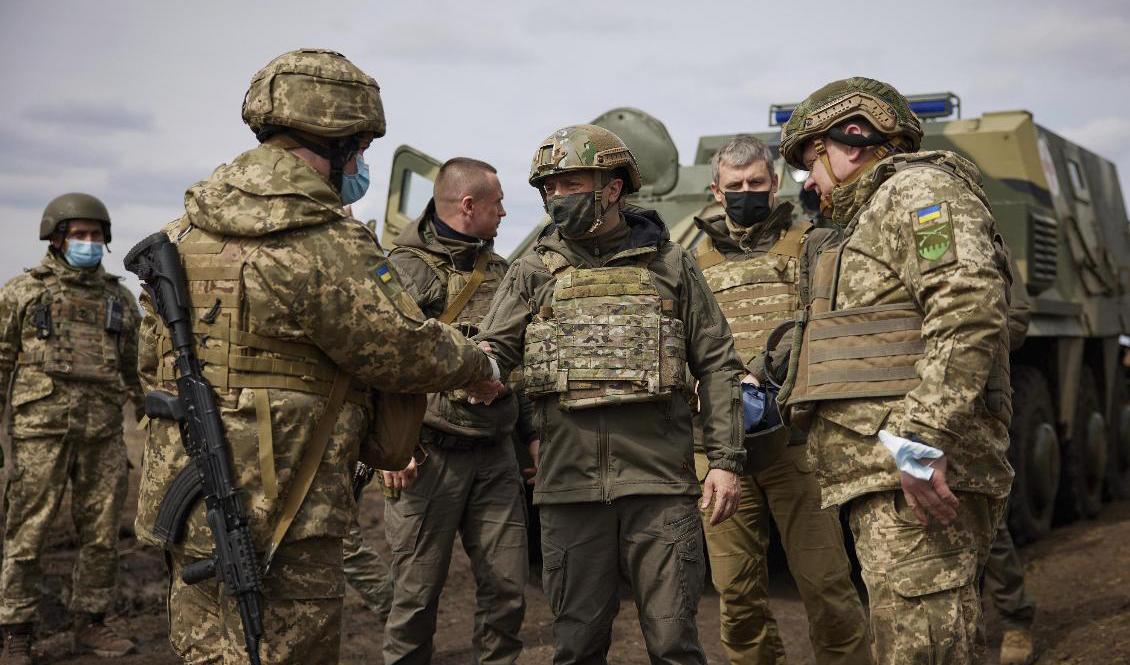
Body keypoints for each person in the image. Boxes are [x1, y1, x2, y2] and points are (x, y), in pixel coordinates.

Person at [133, 48, 502, 665]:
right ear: (339, 142)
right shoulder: (327, 243)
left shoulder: (184, 232)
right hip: (286, 499)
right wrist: (478, 365)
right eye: (360, 150)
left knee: (205, 648)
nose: (359, 165)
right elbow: (402, 349)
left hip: (191, 488)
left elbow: (152, 362)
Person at [476, 124, 746, 665]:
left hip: (660, 488)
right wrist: (468, 368)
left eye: (570, 183)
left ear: (613, 188)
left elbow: (717, 363)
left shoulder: (671, 265)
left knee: (674, 645)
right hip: (569, 492)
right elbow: (492, 349)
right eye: (550, 187)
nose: (557, 196)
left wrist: (725, 460)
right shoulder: (532, 271)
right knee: (576, 647)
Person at [778, 77, 1015, 665]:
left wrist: (920, 441)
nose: (808, 182)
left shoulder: (919, 193)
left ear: (851, 141)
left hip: (915, 476)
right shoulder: (873, 214)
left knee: (924, 650)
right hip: (891, 477)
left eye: (810, 161)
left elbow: (967, 307)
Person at [692, 135, 870, 665]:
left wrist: (764, 369)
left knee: (827, 586)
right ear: (716, 191)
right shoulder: (690, 262)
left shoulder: (814, 244)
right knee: (737, 595)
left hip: (796, 444)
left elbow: (828, 324)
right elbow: (675, 339)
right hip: (721, 453)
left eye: (757, 182)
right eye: (736, 184)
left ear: (774, 185)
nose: (746, 192)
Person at [381, 157, 534, 664]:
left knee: (507, 593)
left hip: (495, 457)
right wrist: (389, 449)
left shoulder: (503, 273)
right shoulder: (401, 270)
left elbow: (521, 359)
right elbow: (376, 363)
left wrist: (532, 434)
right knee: (415, 599)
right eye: (498, 203)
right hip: (427, 458)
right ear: (468, 205)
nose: (505, 212)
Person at [0, 193, 141, 664]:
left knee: (102, 536)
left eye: (96, 234)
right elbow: (1, 361)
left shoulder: (119, 299)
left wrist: (154, 416)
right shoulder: (23, 292)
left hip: (102, 433)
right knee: (27, 533)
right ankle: (16, 631)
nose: (88, 242)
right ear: (57, 238)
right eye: (79, 234)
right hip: (40, 431)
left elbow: (135, 370)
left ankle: (91, 623)